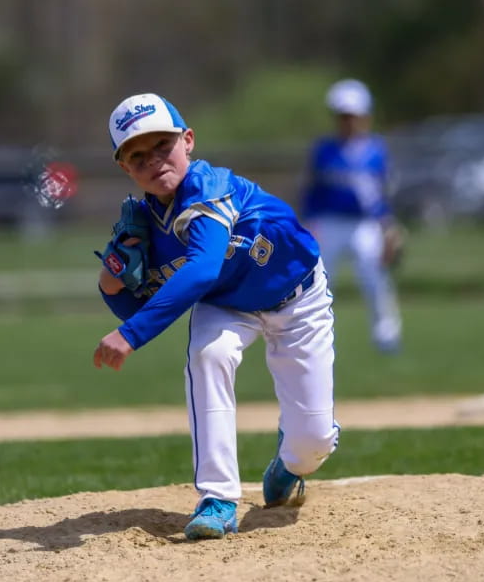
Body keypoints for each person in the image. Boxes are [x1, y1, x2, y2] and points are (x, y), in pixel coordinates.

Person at [93, 93, 340, 541]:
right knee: (209, 353)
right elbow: (140, 302)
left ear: (188, 141)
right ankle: (218, 497)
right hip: (227, 303)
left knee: (314, 442)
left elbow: (202, 267)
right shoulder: (144, 225)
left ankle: (288, 466)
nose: (154, 160)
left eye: (163, 145)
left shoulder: (209, 188)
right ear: (125, 168)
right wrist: (111, 281)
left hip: (298, 298)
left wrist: (131, 333)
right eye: (138, 155)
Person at [301, 79, 403, 354]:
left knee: (376, 279)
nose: (348, 122)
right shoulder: (324, 150)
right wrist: (309, 224)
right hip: (329, 222)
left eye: (353, 116)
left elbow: (381, 195)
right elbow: (312, 191)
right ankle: (311, 338)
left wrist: (389, 227)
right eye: (343, 116)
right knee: (316, 281)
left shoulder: (375, 151)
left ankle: (387, 338)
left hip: (364, 225)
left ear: (364, 116)